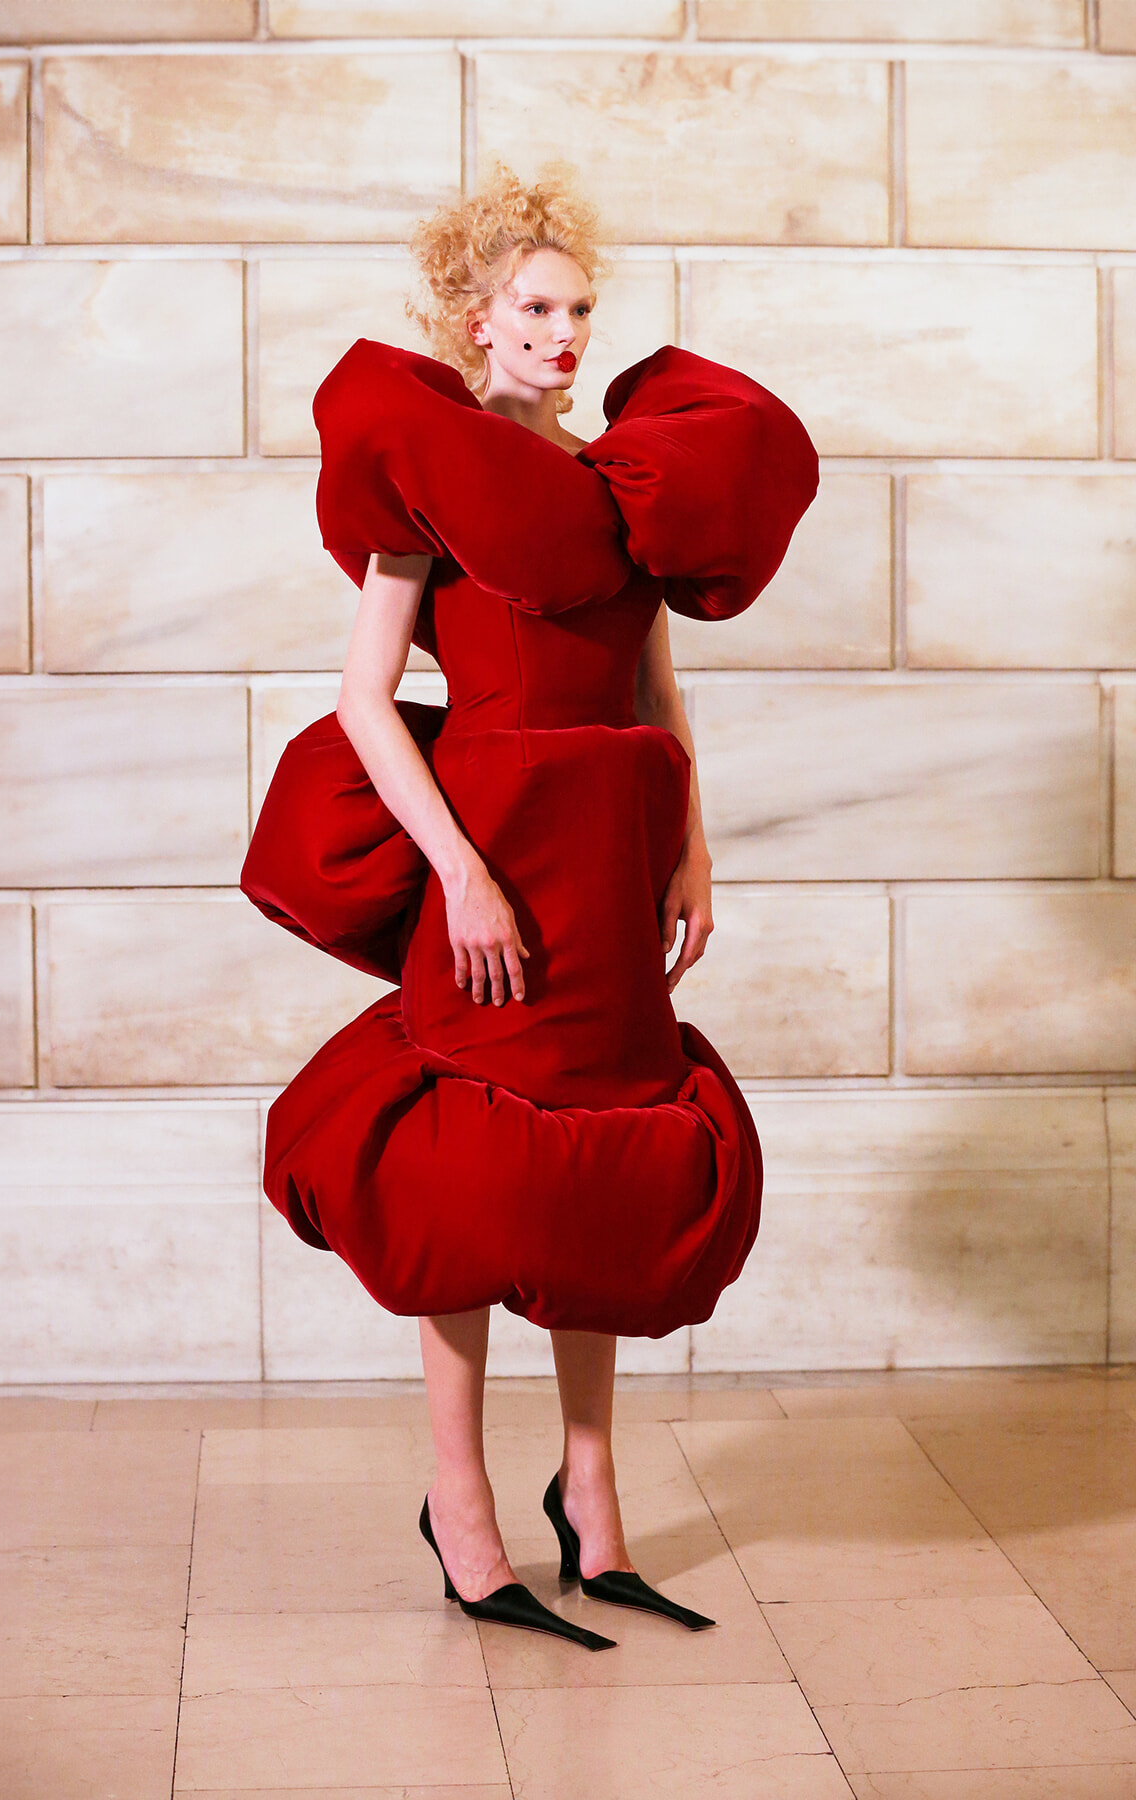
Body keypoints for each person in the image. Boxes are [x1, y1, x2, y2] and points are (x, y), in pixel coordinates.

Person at [242, 163, 818, 1651]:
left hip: (610, 851)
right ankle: (464, 1512)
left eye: (580, 310)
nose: (564, 333)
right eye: (537, 309)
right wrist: (464, 876)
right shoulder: (431, 467)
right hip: (488, 850)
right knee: (476, 1177)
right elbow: (368, 704)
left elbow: (654, 679)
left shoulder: (627, 471)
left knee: (604, 1154)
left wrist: (693, 845)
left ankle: (593, 1506)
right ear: (476, 317)